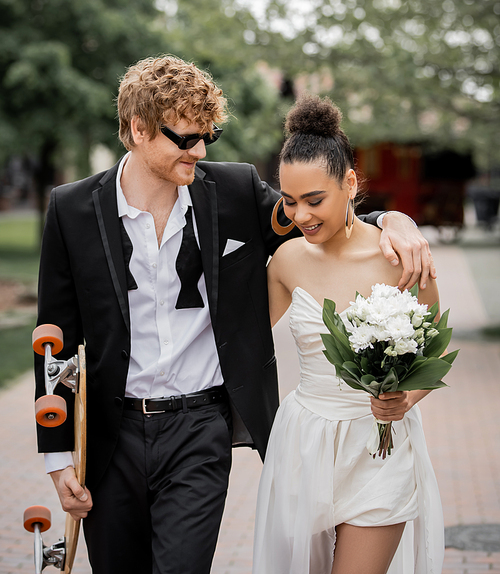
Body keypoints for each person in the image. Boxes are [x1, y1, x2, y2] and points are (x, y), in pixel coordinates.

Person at [34, 56, 435, 574]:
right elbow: (54, 340)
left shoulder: (235, 192)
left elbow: (318, 218)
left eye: (208, 137)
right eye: (185, 138)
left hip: (200, 428)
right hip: (111, 435)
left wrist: (392, 220)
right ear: (137, 129)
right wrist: (57, 458)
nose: (199, 151)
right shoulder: (72, 209)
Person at [253, 94, 444, 574]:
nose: (301, 216)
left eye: (315, 200)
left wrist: (407, 399)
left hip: (379, 445)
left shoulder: (402, 257)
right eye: (290, 201)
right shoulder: (286, 263)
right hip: (305, 442)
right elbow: (238, 338)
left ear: (351, 183)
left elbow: (437, 347)